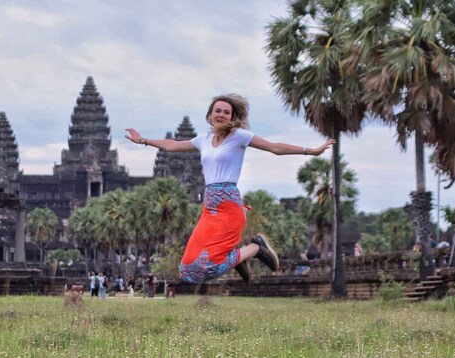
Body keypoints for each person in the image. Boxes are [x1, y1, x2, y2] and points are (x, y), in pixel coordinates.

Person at [126, 94, 333, 285]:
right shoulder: (203, 140)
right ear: (210, 115)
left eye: (227, 112)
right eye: (218, 110)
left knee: (203, 270)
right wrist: (143, 140)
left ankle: (255, 248)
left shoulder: (239, 136)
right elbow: (171, 145)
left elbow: (274, 147)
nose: (222, 115)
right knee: (188, 268)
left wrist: (311, 151)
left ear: (233, 117)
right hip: (209, 209)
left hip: (229, 207)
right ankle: (236, 258)